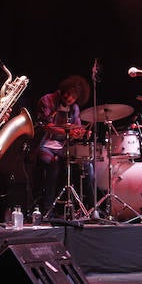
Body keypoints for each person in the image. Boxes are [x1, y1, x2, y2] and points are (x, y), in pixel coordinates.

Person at [33, 75, 94, 217]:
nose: (69, 98)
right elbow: (45, 127)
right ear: (63, 90)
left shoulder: (75, 108)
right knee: (53, 164)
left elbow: (76, 129)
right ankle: (48, 209)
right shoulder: (47, 100)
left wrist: (82, 133)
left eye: (73, 97)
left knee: (87, 166)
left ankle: (91, 208)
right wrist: (68, 131)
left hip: (64, 147)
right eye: (68, 94)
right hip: (45, 145)